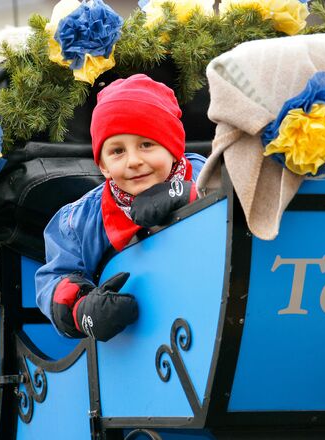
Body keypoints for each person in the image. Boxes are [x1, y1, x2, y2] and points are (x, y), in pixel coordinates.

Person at [35, 74, 206, 342]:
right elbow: (53, 278)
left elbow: (246, 202)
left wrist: (192, 195)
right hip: (136, 344)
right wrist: (81, 309)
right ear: (102, 165)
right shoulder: (78, 222)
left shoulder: (207, 174)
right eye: (117, 151)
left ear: (174, 148)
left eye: (147, 144)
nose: (134, 161)